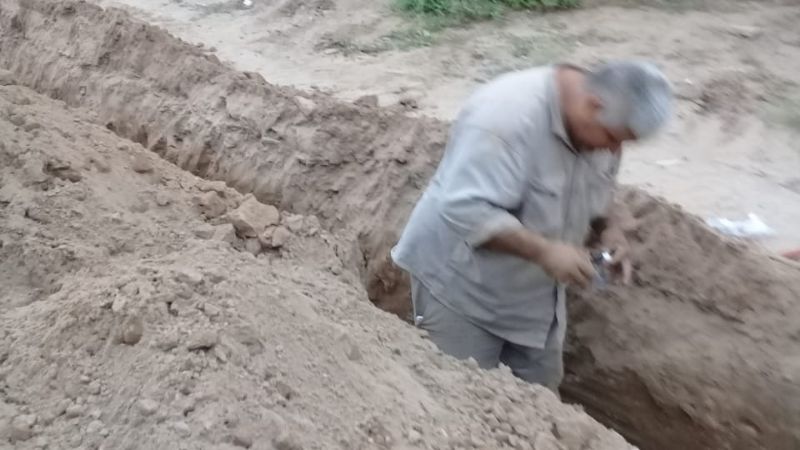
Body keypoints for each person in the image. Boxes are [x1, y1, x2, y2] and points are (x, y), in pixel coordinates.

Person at [391, 61, 673, 393]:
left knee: (539, 412)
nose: (614, 150)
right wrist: (546, 251)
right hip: (462, 292)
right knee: (457, 401)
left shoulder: (600, 128)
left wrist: (610, 228)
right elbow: (464, 207)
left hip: (537, 305)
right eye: (613, 138)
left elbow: (599, 187)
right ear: (593, 104)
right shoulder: (504, 118)